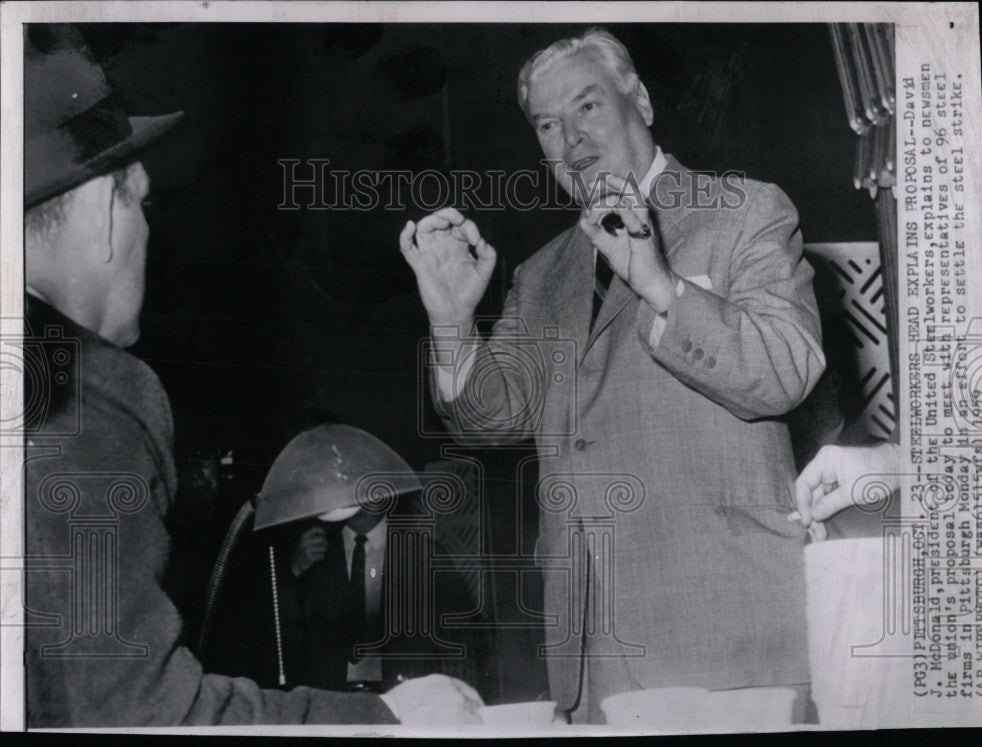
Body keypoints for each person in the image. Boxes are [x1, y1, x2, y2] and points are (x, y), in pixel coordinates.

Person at [22, 24, 481, 727]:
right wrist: (392, 720)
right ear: (101, 212)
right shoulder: (81, 390)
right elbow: (144, 714)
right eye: (140, 204)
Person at [400, 28, 826, 723]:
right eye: (546, 124)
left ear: (643, 102)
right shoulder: (542, 274)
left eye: (587, 108)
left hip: (730, 641)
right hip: (592, 652)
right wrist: (451, 321)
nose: (569, 140)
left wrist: (660, 284)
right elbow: (490, 417)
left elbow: (785, 368)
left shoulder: (744, 211)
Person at [211, 425, 487, 696]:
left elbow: (462, 639)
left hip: (404, 699)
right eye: (344, 480)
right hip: (329, 701)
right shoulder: (311, 553)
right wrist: (292, 575)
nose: (353, 488)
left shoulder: (424, 554)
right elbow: (271, 645)